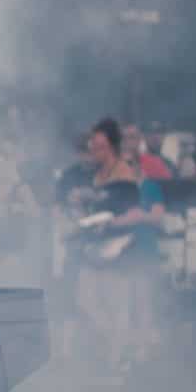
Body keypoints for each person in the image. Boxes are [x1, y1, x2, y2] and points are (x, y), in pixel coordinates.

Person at [73, 119, 168, 371]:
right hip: (103, 250)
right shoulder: (100, 177)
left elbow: (141, 214)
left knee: (129, 306)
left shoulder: (136, 182)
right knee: (91, 301)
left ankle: (126, 358)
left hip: (129, 251)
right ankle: (125, 349)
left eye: (132, 163)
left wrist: (113, 222)